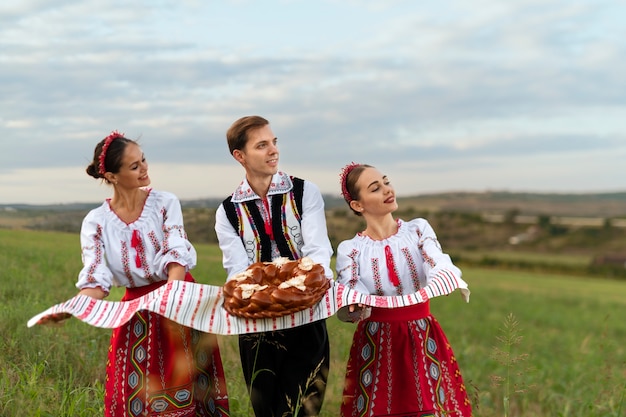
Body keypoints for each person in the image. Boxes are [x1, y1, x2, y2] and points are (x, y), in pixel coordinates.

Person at [45, 131, 230, 416]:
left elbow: (176, 255)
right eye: (134, 166)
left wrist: (172, 297)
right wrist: (72, 308)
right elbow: (96, 279)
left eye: (143, 160)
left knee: (187, 391)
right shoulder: (96, 222)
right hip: (135, 309)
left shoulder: (165, 203)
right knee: (132, 394)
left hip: (177, 297)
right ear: (113, 176)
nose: (144, 168)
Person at [214, 115, 333, 417]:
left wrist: (300, 291)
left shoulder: (305, 192)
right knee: (266, 411)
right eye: (262, 145)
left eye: (274, 142)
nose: (273, 151)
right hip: (257, 326)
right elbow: (237, 272)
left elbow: (318, 253)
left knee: (303, 411)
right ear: (239, 156)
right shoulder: (228, 211)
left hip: (307, 316)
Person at [335, 162, 472, 417]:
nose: (387, 190)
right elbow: (351, 288)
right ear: (357, 205)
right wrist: (354, 302)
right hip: (376, 336)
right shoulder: (350, 249)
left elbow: (436, 260)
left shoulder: (417, 229)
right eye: (376, 188)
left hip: (420, 330)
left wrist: (443, 278)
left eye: (386, 182)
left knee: (430, 407)